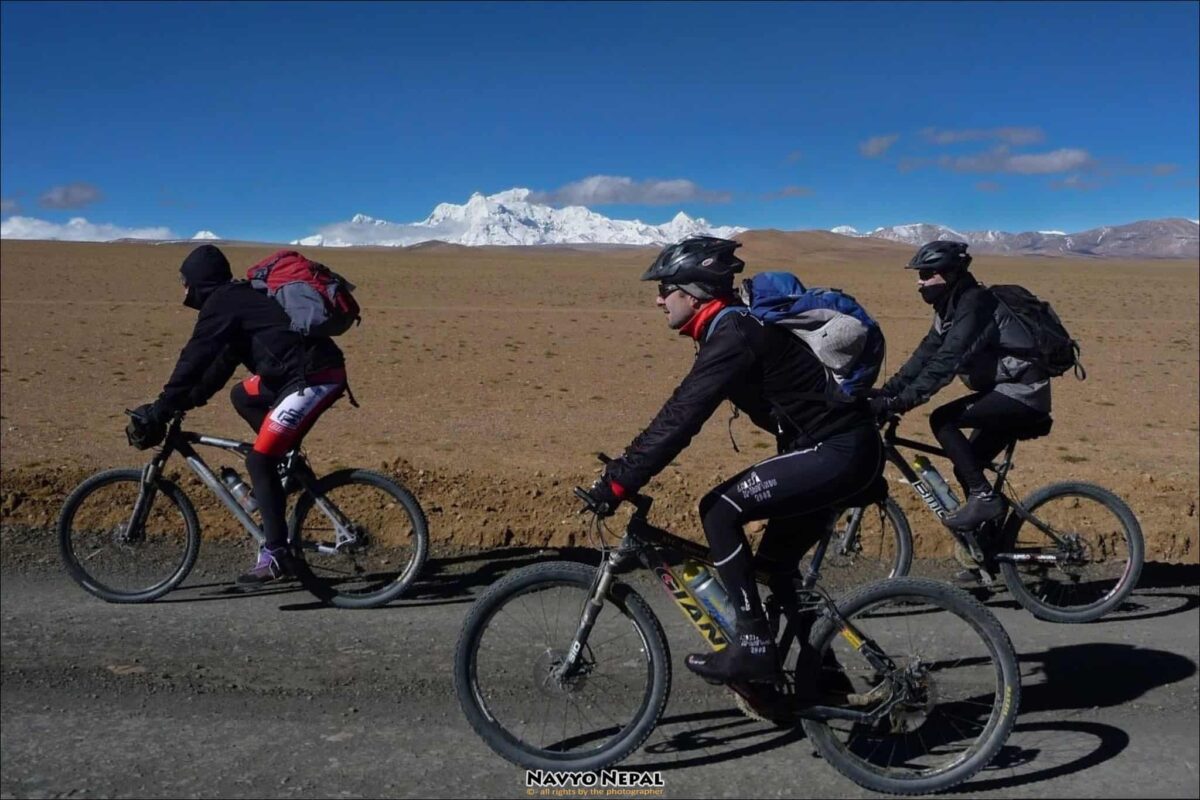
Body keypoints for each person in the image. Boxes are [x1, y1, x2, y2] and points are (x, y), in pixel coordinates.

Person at [583, 236, 884, 685]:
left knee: (719, 510)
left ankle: (753, 648)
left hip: (837, 452)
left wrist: (620, 481)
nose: (657, 300)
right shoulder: (732, 328)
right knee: (777, 570)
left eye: (666, 290)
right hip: (842, 450)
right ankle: (825, 684)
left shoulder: (734, 333)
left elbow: (682, 416)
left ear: (694, 291)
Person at [125, 244, 348, 585]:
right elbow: (217, 368)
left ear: (200, 281)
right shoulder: (234, 302)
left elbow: (195, 356)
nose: (184, 291)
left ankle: (276, 554)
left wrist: (161, 408)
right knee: (242, 394)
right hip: (295, 376)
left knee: (258, 462)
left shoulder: (223, 303)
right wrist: (180, 404)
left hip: (313, 377)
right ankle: (286, 461)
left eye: (185, 283)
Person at [869, 240, 1052, 535]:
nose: (920, 282)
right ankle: (989, 548)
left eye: (928, 274)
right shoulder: (950, 308)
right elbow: (925, 355)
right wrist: (888, 392)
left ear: (951, 273)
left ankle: (984, 499)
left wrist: (899, 403)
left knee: (943, 420)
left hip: (1023, 394)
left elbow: (947, 361)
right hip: (1006, 392)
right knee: (967, 465)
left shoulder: (975, 304)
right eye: (920, 274)